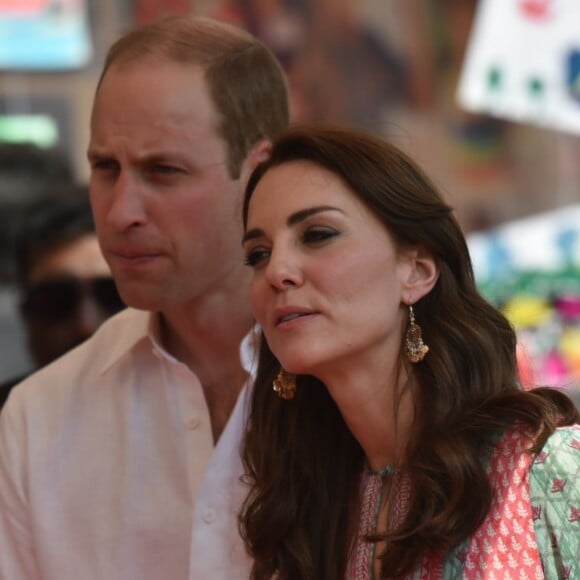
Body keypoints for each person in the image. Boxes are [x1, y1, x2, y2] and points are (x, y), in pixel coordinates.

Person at [0, 16, 289, 580]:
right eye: (105, 167)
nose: (120, 211)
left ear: (260, 173)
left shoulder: (357, 389)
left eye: (164, 171)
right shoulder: (40, 417)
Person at [238, 125, 580, 579]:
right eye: (257, 254)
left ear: (416, 272)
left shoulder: (545, 469)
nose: (277, 270)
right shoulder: (306, 511)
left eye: (317, 234)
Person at [0, 190, 125, 407]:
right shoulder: (9, 419)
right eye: (56, 299)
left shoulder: (191, 411)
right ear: (25, 311)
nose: (87, 324)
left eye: (112, 293)